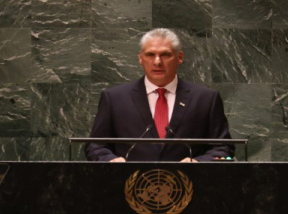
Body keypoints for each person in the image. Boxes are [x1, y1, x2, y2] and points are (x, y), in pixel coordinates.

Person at [86, 28, 233, 162]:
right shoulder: (114, 98)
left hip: (189, 185)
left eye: (165, 55)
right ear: (140, 58)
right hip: (129, 184)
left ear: (180, 57)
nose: (157, 62)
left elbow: (223, 148)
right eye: (150, 54)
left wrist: (198, 162)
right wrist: (110, 160)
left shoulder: (206, 99)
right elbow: (95, 146)